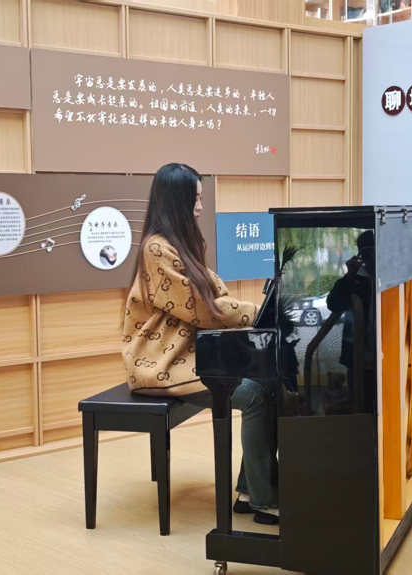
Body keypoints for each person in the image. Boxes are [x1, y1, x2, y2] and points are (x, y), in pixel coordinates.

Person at [122, 163, 279, 524]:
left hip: (192, 355)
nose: (200, 206)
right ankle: (264, 499)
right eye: (195, 199)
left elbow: (209, 298)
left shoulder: (179, 245)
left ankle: (250, 492)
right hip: (163, 363)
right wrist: (258, 313)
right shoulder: (156, 248)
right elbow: (202, 309)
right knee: (255, 395)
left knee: (270, 384)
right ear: (176, 201)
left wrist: (252, 312)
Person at [326, 230, 377, 413]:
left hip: (388, 359)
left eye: (374, 252)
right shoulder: (355, 280)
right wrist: (349, 275)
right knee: (361, 408)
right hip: (360, 360)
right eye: (367, 253)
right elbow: (333, 303)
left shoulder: (392, 278)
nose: (372, 258)